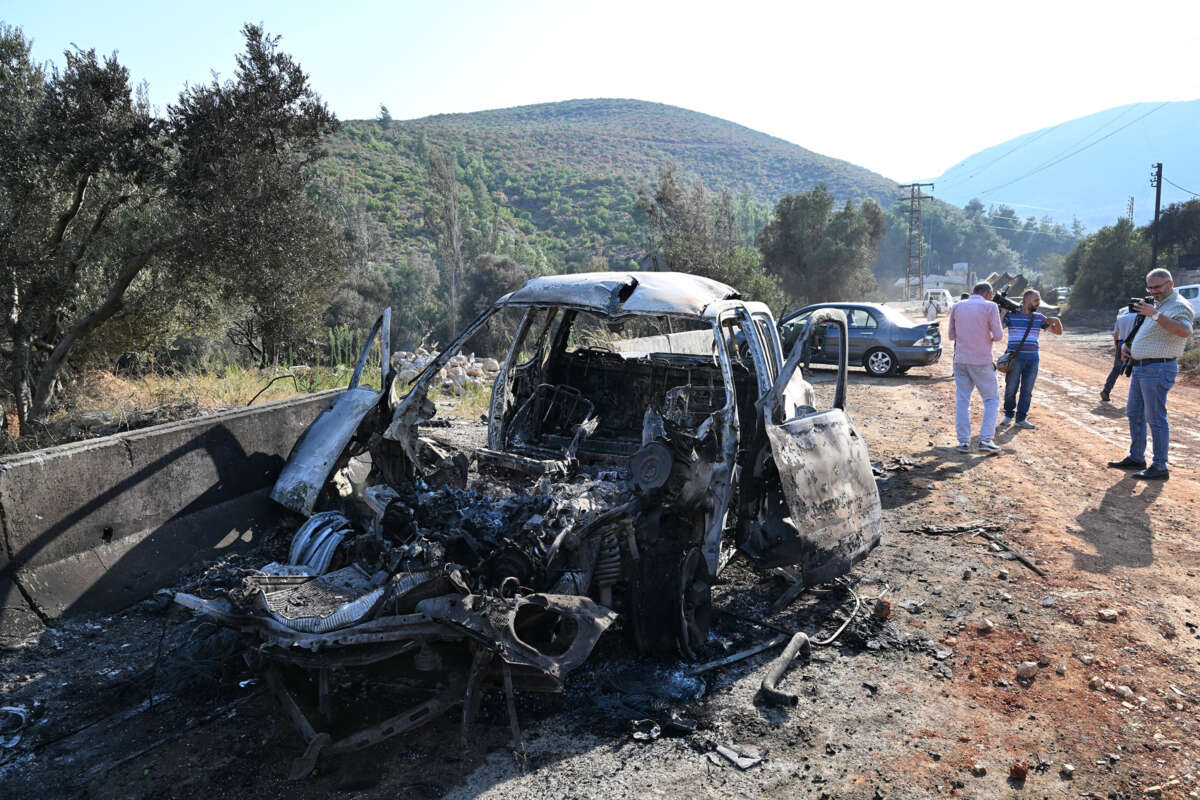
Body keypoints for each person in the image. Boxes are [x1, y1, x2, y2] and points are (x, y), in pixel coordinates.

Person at [1107, 268, 1195, 480]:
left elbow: (1184, 331)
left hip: (1158, 368)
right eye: (1151, 287)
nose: (1154, 291)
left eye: (1158, 287)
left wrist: (1154, 314)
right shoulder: (1158, 305)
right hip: (1141, 367)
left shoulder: (1179, 305)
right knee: (1134, 413)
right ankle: (1137, 457)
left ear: (1170, 284)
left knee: (1155, 418)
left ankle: (1160, 466)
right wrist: (1128, 346)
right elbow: (1149, 334)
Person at [947, 281, 1005, 453]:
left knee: (963, 400)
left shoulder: (957, 306)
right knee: (991, 400)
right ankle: (986, 439)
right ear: (987, 293)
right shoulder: (991, 307)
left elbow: (951, 335)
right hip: (981, 361)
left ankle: (963, 442)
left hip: (961, 360)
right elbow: (999, 336)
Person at [999, 289, 1063, 429]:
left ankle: (1021, 418)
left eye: (1038, 300)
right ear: (1026, 301)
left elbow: (1058, 332)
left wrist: (1056, 321)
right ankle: (1008, 415)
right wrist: (1003, 312)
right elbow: (999, 329)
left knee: (1027, 390)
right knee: (1011, 388)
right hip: (1015, 358)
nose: (1038, 303)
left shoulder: (1039, 318)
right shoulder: (1012, 315)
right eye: (1036, 300)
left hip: (1033, 359)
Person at [1100, 307, 1138, 402]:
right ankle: (1135, 399)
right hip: (1135, 345)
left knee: (1116, 369)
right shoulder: (1140, 318)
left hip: (1121, 344)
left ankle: (1106, 390)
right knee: (1137, 372)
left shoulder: (1120, 318)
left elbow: (1116, 335)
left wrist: (1117, 347)